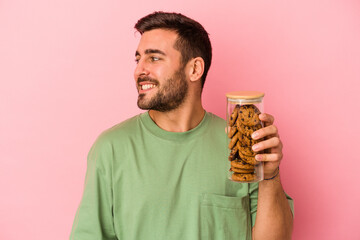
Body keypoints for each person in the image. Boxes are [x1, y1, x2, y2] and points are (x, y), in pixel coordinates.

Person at [70, 11, 294, 240]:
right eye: (138, 59)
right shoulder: (111, 148)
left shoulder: (240, 146)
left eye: (154, 58)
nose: (140, 70)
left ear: (195, 69)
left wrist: (270, 176)